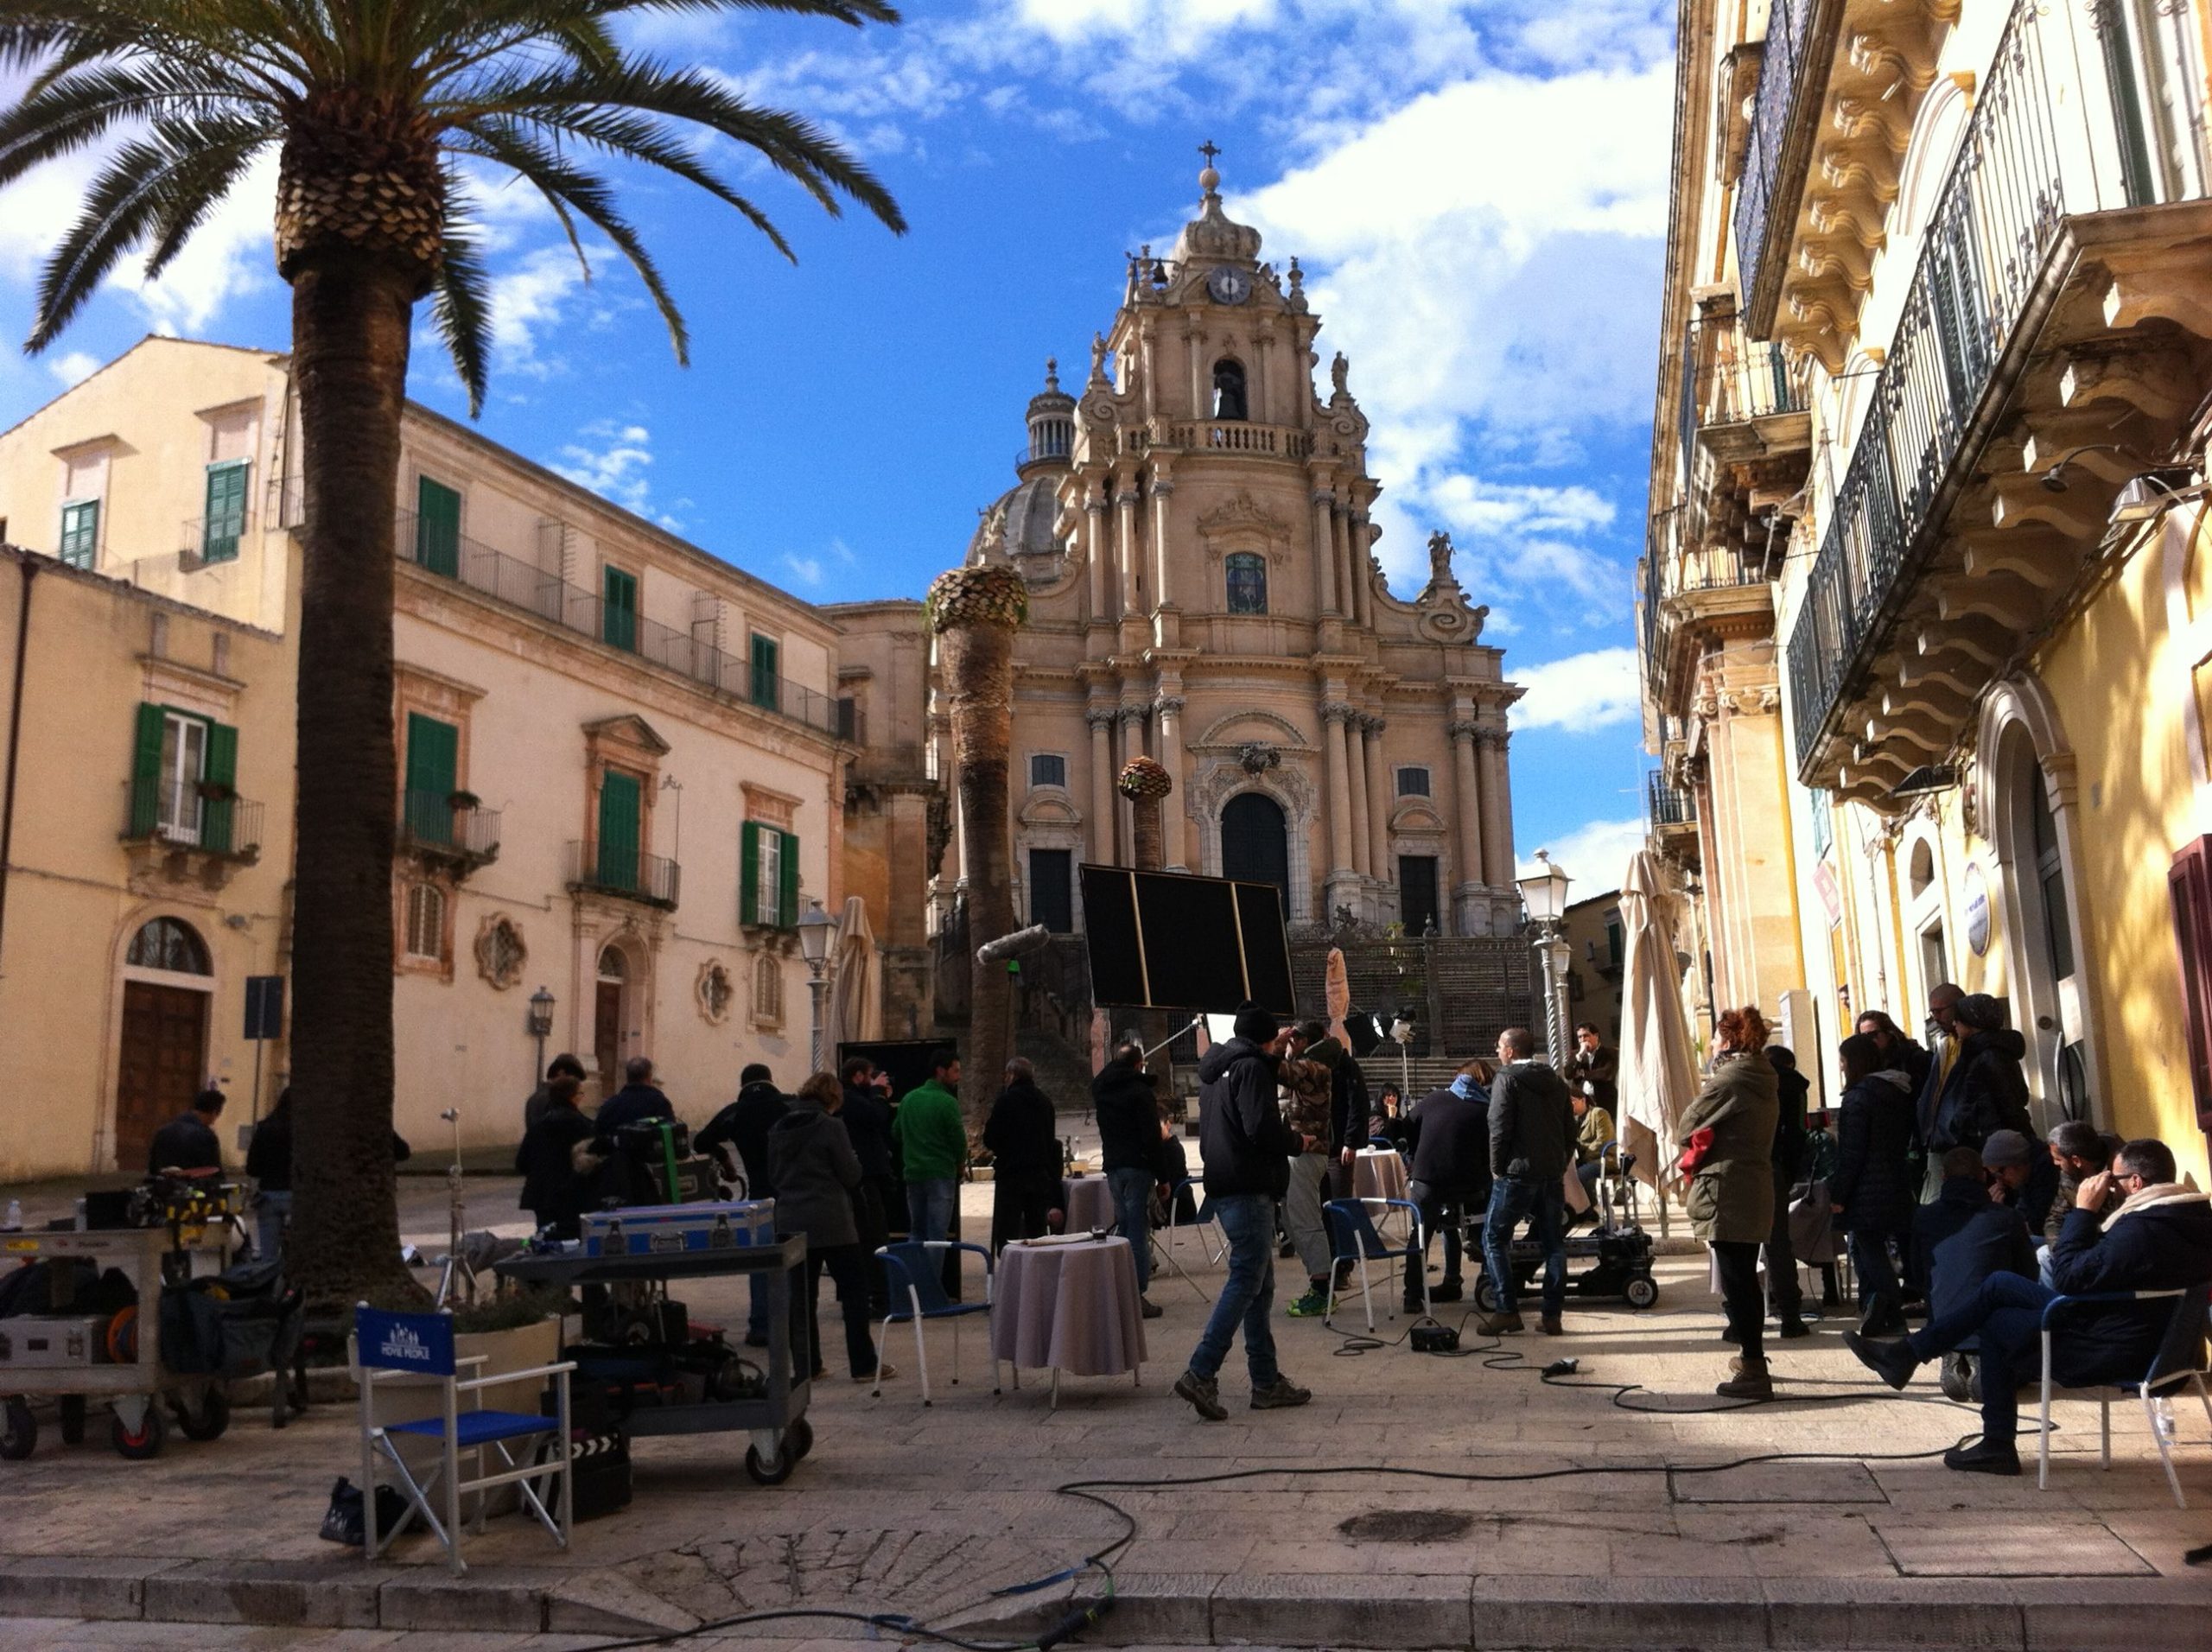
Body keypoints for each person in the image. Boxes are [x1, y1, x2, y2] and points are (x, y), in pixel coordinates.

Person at [1847, 1137, 2212, 1476]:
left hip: (2111, 1348)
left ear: (2135, 1183)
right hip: (2153, 1342)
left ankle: (1994, 1440)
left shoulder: (2141, 1231)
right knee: (1998, 1285)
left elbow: (2068, 1275)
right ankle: (1909, 1357)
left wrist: (2084, 1212)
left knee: (1995, 1321)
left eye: (2113, 1182)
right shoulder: (2190, 1220)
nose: (2109, 1188)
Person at [1174, 1002, 1310, 1421]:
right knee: (1245, 1282)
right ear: (1266, 1039)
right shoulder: (1251, 1069)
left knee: (1258, 1287)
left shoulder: (1221, 1068)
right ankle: (1201, 1370)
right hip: (1249, 1186)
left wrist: (1270, 1053)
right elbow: (1259, 1127)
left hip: (1226, 1183)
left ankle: (1266, 1381)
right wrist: (1296, 1141)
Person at [1678, 1006, 1780, 1400]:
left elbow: (1688, 1124)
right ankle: (1751, 1357)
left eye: (1717, 1037)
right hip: (1753, 1184)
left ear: (1729, 1040)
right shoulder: (1763, 1074)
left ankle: (1754, 1367)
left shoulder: (1731, 1078)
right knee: (1743, 1277)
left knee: (1738, 1281)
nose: (1713, 1044)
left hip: (1725, 1187)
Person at [767, 1072, 895, 1385]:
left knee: (801, 1297)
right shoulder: (831, 1126)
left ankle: (807, 1365)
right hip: (832, 1221)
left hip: (790, 1221)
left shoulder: (778, 1128)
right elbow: (851, 1174)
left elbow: (772, 1175)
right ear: (832, 1098)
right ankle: (863, 1364)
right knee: (854, 1291)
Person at [1911, 1144, 2037, 1402]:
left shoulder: (1924, 1218)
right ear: (1983, 1176)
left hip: (1944, 1327)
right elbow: (2028, 1275)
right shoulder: (2006, 1217)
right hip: (1995, 1328)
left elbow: (1915, 1273)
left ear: (1943, 1178)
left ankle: (1956, 1357)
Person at [1476, 1026, 1575, 1337]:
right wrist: (1559, 1163)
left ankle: (1506, 1310)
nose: (1497, 1051)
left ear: (1511, 1051)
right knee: (1553, 1244)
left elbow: (1499, 1126)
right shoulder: (1557, 1082)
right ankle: (1552, 1316)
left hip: (1516, 1173)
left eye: (1500, 1047)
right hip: (1550, 1173)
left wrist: (1496, 1168)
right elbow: (1569, 1130)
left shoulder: (1506, 1079)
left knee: (1493, 1239)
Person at [1830, 1032, 1918, 1337]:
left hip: (1867, 1187)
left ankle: (1889, 1312)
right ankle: (1877, 1311)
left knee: (1869, 1251)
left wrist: (1839, 1194)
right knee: (1877, 1249)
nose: (1841, 1067)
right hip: (1895, 1179)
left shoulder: (1857, 1098)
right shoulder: (1896, 1091)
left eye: (1843, 1060)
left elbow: (1852, 1152)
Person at [697, 1064, 790, 1346]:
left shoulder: (735, 1112)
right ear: (771, 1080)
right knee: (795, 1258)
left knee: (762, 1261)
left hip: (761, 1197)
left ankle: (761, 1326)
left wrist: (723, 1156)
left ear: (743, 1084)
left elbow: (701, 1142)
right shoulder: (789, 1105)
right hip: (793, 1192)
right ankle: (794, 1324)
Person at [1402, 1060, 1491, 1312]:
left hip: (1427, 1177)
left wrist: (1417, 1151)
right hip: (1469, 1182)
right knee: (1482, 1219)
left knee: (1420, 1233)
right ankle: (1487, 1271)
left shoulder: (1435, 1099)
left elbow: (1407, 1124)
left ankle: (1413, 1296)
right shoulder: (1486, 1109)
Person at [1094, 1035, 1166, 1318]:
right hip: (1137, 1166)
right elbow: (1151, 1137)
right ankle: (1135, 1293)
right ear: (1139, 1065)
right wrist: (1164, 1176)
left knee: (1123, 1227)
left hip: (1113, 1165)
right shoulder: (1139, 1092)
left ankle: (1118, 1289)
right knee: (1137, 1231)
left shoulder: (1102, 1089)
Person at [1276, 1022, 1341, 1318]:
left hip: (1306, 1153)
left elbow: (1278, 1071)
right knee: (1291, 1221)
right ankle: (1317, 1281)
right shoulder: (1306, 1065)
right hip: (1295, 1153)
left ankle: (1322, 1289)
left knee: (1306, 1222)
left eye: (1292, 1038)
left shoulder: (1315, 1067)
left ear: (1301, 1041)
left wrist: (1276, 1045)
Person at [838, 1056, 897, 1315]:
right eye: (871, 1076)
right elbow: (875, 1117)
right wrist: (878, 1094)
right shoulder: (851, 1099)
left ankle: (878, 1296)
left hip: (871, 1177)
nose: (874, 1081)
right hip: (864, 1180)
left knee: (873, 1234)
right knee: (871, 1236)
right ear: (859, 1076)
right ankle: (879, 1299)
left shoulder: (858, 1098)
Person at [982, 1058, 1058, 1251]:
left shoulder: (1006, 1101)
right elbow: (1051, 1140)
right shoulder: (1045, 1102)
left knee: (1007, 1231)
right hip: (1039, 1174)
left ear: (1012, 1075)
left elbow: (991, 1138)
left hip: (1011, 1175)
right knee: (1037, 1231)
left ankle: (1010, 1271)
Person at [893, 1049, 966, 1243]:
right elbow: (959, 1141)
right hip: (941, 1174)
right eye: (956, 1071)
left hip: (914, 1173)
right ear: (941, 1071)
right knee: (936, 1237)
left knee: (916, 1232)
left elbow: (896, 1132)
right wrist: (960, 1164)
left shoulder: (909, 1099)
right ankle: (932, 1275)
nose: (958, 1077)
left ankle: (915, 1273)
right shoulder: (948, 1103)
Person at [1762, 1046, 1810, 1335]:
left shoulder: (1739, 1080)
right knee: (1778, 1243)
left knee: (1737, 1246)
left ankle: (1738, 1319)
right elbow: (1797, 1134)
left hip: (1743, 1167)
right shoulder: (1794, 1085)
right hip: (1775, 1167)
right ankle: (1790, 1314)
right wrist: (1789, 1173)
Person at [514, 1073, 594, 1239]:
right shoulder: (584, 1126)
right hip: (573, 1195)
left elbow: (522, 1163)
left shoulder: (538, 1127)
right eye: (580, 1094)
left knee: (545, 1239)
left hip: (542, 1197)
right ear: (573, 1098)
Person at [2044, 1121, 2120, 1248]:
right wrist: (2059, 1250)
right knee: (2043, 1254)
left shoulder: (2121, 1174)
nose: (2055, 1163)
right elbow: (2056, 1218)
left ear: (2076, 1161)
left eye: (2058, 1159)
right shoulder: (2068, 1178)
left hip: (2113, 1246)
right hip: (2081, 1245)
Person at [149, 1087, 226, 1175]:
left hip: (162, 1186)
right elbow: (214, 1172)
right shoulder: (206, 1136)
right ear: (214, 1112)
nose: (213, 1122)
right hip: (194, 1187)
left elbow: (153, 1167)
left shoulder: (163, 1131)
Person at [1568, 1087, 1617, 1220]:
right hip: (1588, 1160)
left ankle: (1590, 1208)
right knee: (1568, 1176)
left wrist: (1585, 1155)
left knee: (1579, 1175)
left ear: (1583, 1100)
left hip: (1604, 1158)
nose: (1569, 1104)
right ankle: (1580, 1210)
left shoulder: (1599, 1113)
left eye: (1572, 1101)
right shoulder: (1575, 1121)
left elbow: (1603, 1139)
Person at [595, 1055, 676, 1134]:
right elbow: (671, 1133)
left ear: (628, 1077)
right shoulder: (660, 1104)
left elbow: (599, 1133)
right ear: (649, 1077)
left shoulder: (609, 1105)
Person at [524, 1052, 588, 1134]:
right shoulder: (553, 1099)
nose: (576, 1087)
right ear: (561, 1073)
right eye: (574, 1081)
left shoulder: (536, 1097)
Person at [1563, 1023, 1618, 1115]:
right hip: (1583, 1105)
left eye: (1586, 1036)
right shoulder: (1576, 1055)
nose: (1582, 1040)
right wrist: (1580, 1054)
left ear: (1596, 1036)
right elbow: (1568, 1074)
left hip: (1605, 1103)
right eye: (1579, 1037)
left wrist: (1583, 1074)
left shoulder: (1610, 1053)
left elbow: (1606, 1074)